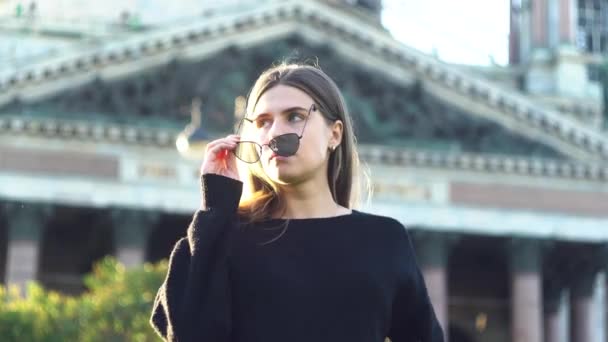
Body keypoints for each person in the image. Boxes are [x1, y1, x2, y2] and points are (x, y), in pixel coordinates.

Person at [149, 62, 444, 342]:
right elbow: (187, 332)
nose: (275, 133)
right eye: (263, 122)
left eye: (295, 116)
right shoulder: (227, 237)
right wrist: (216, 206)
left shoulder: (384, 240)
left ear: (335, 134)